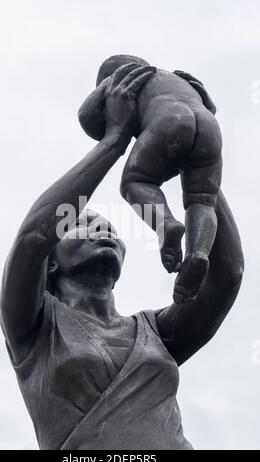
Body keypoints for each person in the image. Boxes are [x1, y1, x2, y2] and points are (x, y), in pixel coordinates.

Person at [0, 64, 244, 450]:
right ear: (51, 261)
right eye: (82, 224)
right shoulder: (34, 328)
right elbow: (33, 237)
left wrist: (196, 164)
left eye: (111, 229)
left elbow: (227, 274)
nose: (104, 230)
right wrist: (113, 141)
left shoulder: (156, 333)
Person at [78, 55, 222, 304]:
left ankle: (166, 224)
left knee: (136, 181)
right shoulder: (175, 79)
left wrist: (114, 125)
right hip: (210, 126)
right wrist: (208, 107)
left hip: (168, 122)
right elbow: (209, 106)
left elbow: (86, 116)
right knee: (203, 200)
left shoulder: (121, 78)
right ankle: (199, 252)